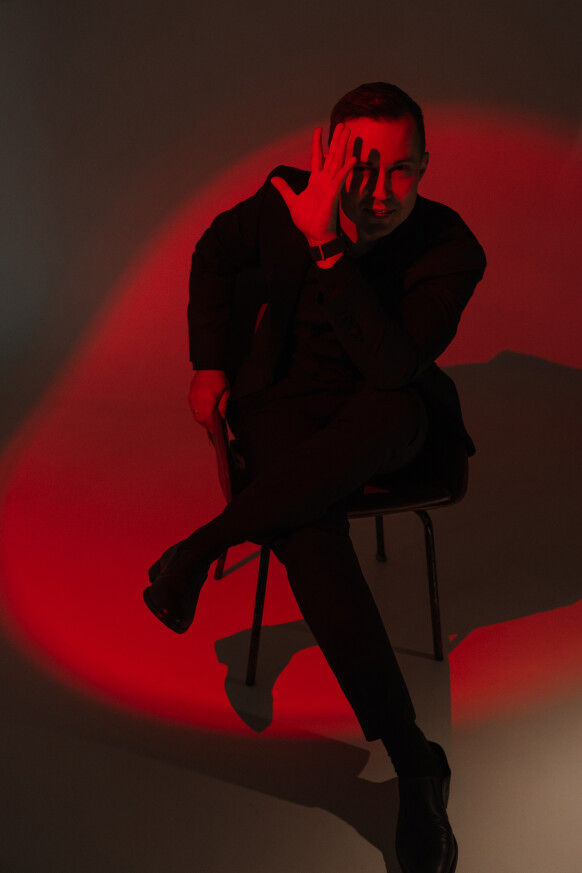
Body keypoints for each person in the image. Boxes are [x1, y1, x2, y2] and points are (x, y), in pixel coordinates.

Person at [143, 82, 486, 873]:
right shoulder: (282, 198)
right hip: (286, 407)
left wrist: (328, 244)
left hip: (386, 414)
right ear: (328, 156)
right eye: (360, 168)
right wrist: (207, 364)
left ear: (424, 165)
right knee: (307, 532)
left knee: (388, 412)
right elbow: (214, 253)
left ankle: (201, 547)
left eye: (400, 169)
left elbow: (392, 368)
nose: (379, 190)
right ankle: (416, 763)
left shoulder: (450, 248)